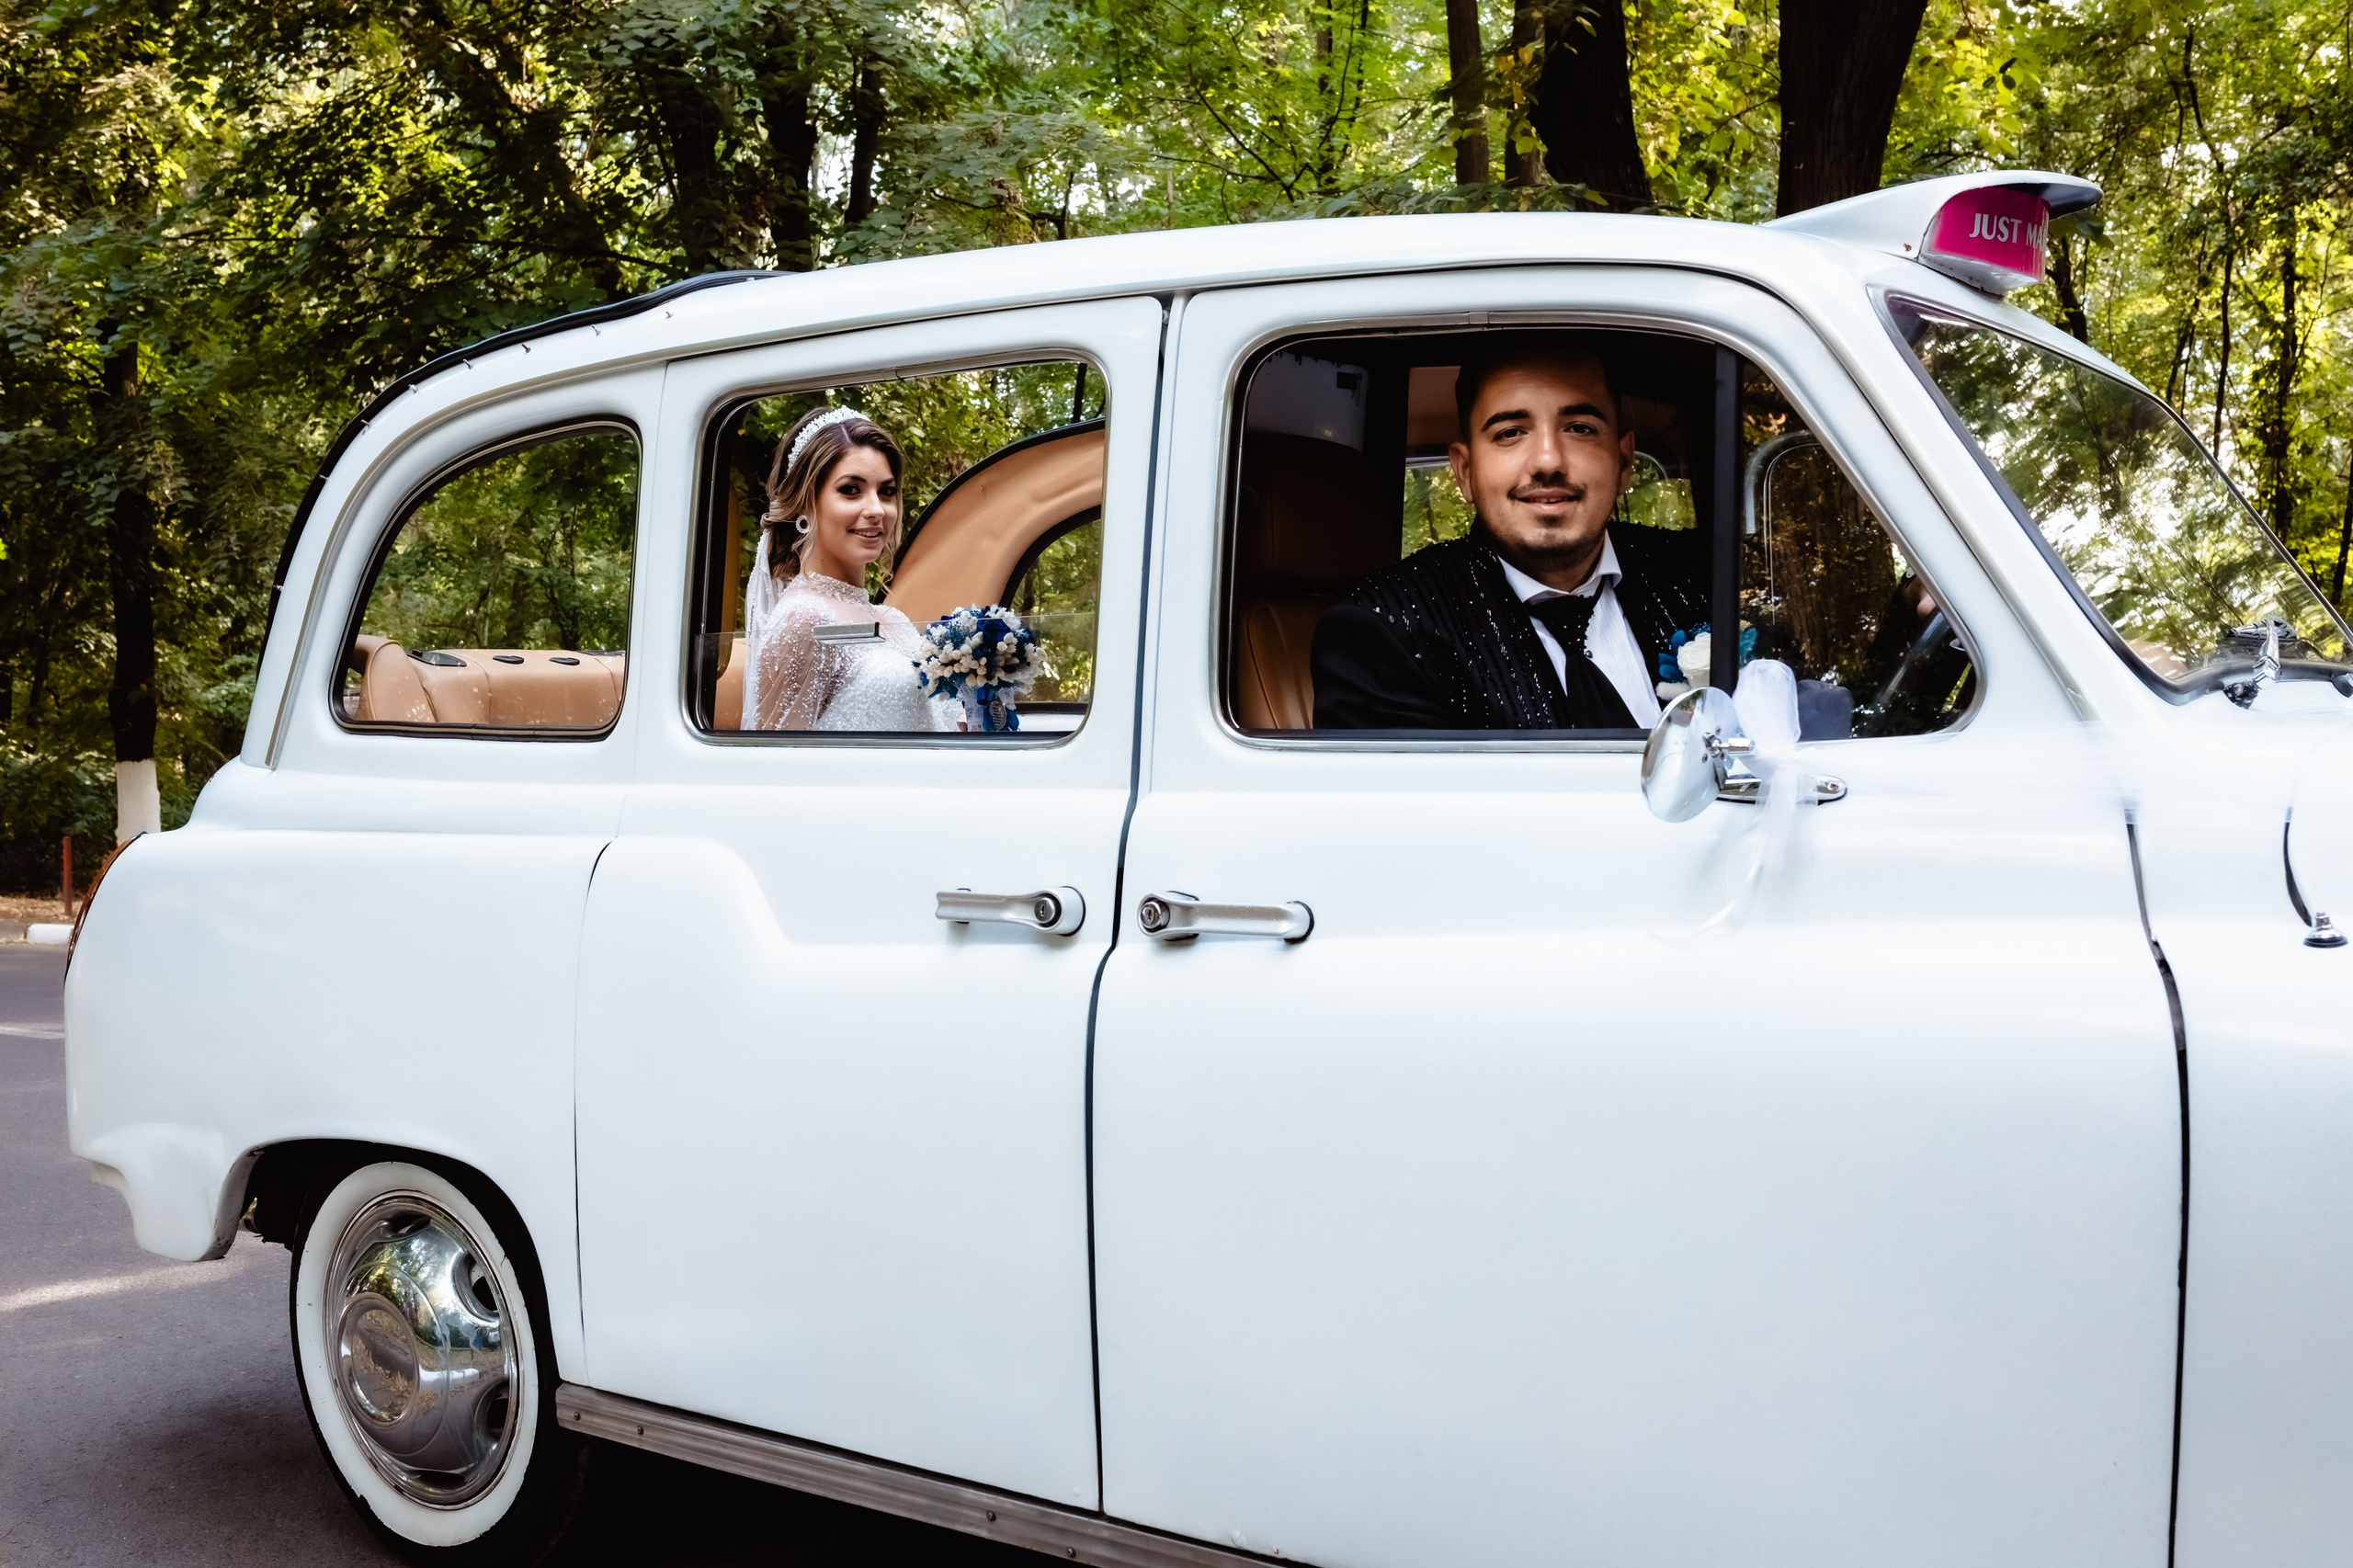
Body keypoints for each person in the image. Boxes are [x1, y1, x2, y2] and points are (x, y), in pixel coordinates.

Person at [1311, 333, 1709, 731]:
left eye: (1580, 428)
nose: (1549, 460)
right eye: (1510, 433)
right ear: (1465, 472)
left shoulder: (1704, 575)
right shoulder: (1389, 631)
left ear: (1623, 462)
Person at [742, 406, 955, 732]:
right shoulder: (804, 620)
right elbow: (778, 766)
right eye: (851, 490)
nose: (876, 510)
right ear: (805, 502)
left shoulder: (891, 619)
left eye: (886, 491)